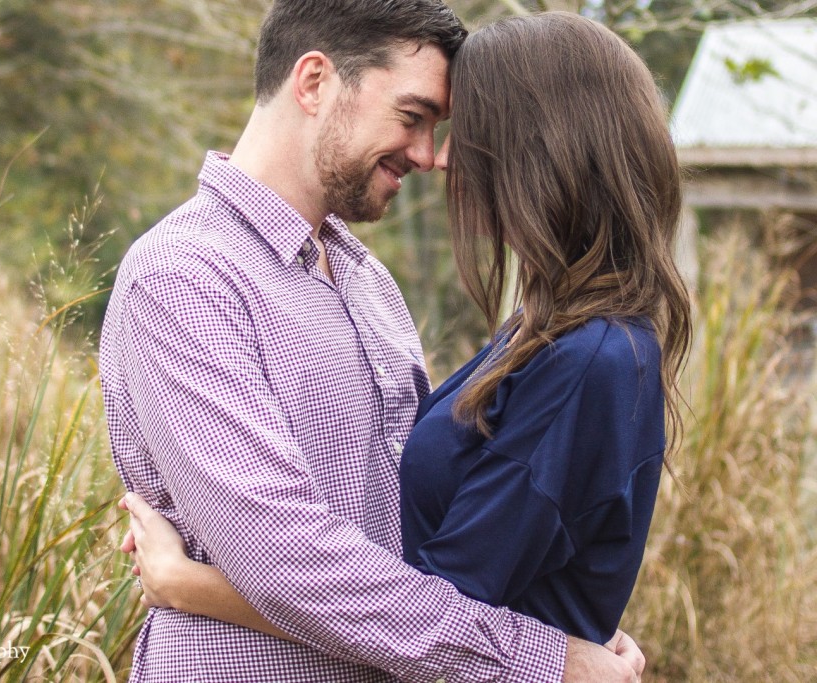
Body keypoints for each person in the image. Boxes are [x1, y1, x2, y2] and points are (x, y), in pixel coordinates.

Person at [101, 1, 647, 681]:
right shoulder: (186, 278)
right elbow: (289, 561)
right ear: (314, 83)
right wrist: (545, 659)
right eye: (412, 118)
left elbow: (416, 543)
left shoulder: (370, 283)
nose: (427, 156)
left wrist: (556, 614)